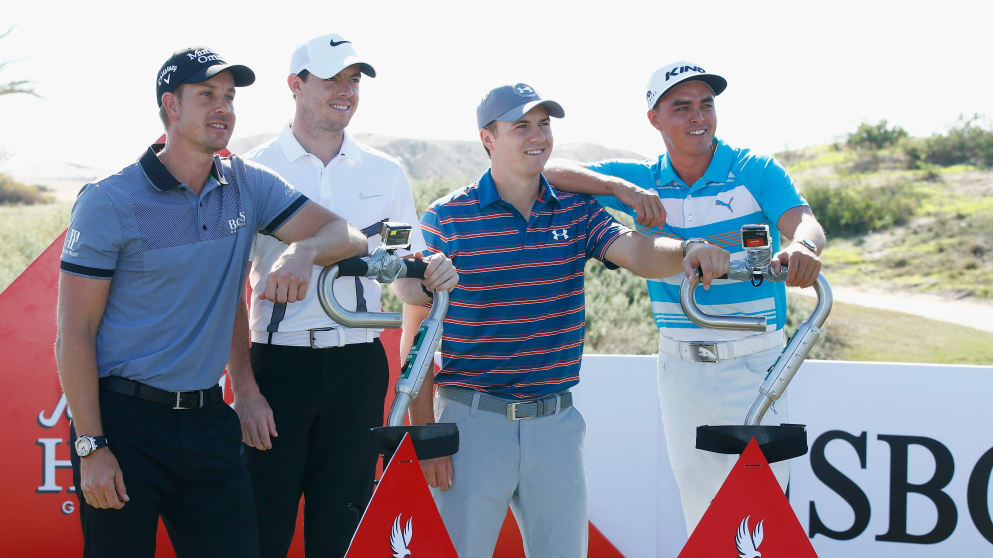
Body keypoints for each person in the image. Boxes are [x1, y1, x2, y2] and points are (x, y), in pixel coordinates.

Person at [392, 83, 731, 558]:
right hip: (471, 424)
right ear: (488, 138)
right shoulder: (448, 217)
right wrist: (425, 431)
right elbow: (417, 328)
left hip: (555, 427)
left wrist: (687, 249)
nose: (538, 136)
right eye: (521, 126)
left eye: (544, 124)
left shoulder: (576, 209)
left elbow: (637, 251)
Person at [55, 47, 367, 558]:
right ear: (171, 105)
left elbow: (347, 234)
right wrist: (92, 446)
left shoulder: (247, 183)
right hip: (124, 423)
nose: (223, 107)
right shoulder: (109, 200)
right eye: (207, 95)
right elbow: (75, 333)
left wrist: (303, 252)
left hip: (206, 422)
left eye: (229, 96)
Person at [543, 60, 827, 534]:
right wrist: (621, 190)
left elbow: (804, 222)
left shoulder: (754, 168)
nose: (699, 116)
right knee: (702, 516)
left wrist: (804, 247)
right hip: (680, 365)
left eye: (706, 104)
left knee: (763, 513)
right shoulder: (643, 178)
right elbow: (548, 172)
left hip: (756, 362)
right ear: (654, 118)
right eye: (682, 107)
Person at [229, 34, 458, 558]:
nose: (346, 90)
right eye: (332, 78)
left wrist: (429, 275)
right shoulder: (250, 170)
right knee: (263, 530)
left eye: (353, 80)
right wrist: (244, 390)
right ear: (295, 84)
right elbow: (229, 293)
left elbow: (402, 276)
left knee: (343, 534)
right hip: (277, 366)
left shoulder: (385, 172)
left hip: (357, 365)